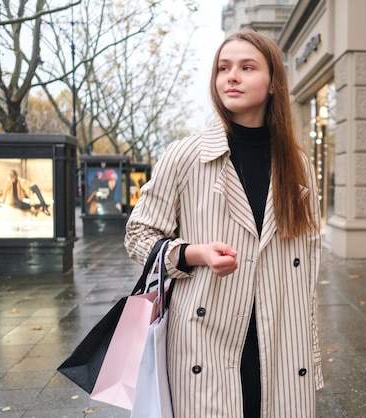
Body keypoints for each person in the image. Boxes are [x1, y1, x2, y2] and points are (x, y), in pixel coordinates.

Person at [125, 28, 323, 417]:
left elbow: (307, 271)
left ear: (272, 84)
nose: (231, 77)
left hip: (282, 338)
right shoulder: (187, 155)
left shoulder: (298, 166)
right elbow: (138, 234)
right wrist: (192, 253)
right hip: (205, 339)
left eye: (247, 67)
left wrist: (310, 350)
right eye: (223, 68)